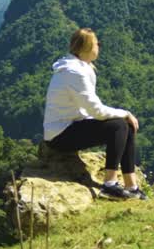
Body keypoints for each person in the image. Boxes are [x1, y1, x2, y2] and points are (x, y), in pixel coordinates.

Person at [42, 28, 147, 200]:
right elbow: (95, 110)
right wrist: (125, 113)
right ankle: (109, 185)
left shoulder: (77, 67)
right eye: (97, 43)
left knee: (124, 124)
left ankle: (132, 186)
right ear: (88, 47)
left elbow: (90, 110)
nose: (99, 46)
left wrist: (123, 116)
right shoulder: (74, 72)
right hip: (60, 135)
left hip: (71, 126)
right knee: (119, 125)